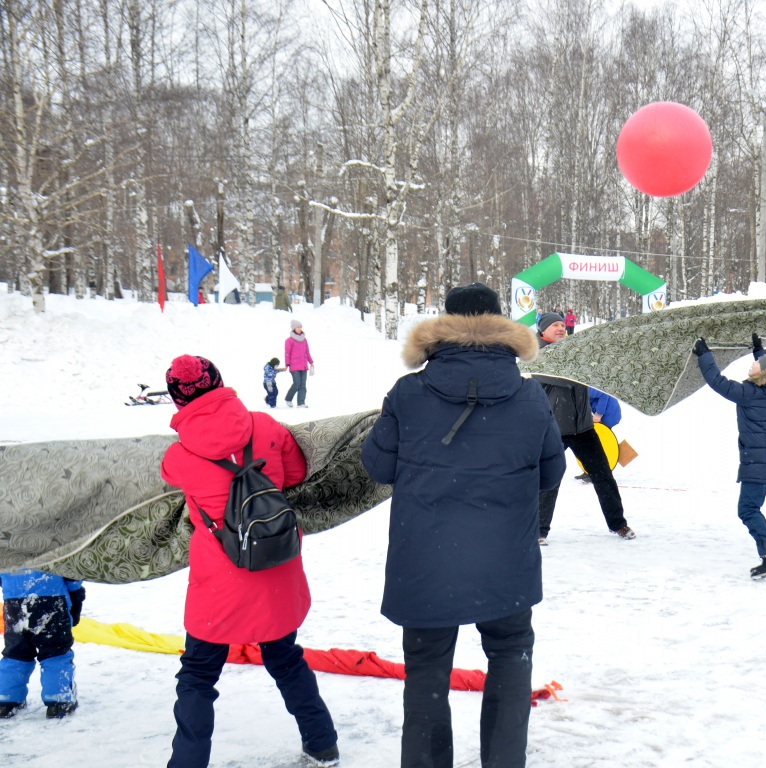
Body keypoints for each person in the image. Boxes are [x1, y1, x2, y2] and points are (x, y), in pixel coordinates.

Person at [360, 282, 565, 768]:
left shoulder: (409, 393)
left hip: (426, 558)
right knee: (511, 656)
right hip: (506, 559)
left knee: (427, 668)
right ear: (501, 326)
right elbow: (552, 473)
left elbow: (378, 466)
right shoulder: (530, 394)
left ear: (444, 325)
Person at [160, 355, 339, 768]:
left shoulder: (180, 455)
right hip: (275, 566)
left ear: (176, 400)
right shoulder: (265, 425)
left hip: (220, 582)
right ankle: (322, 743)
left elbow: (168, 481)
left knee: (198, 677)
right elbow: (294, 474)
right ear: (220, 382)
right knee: (286, 659)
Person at [694, 333, 766, 578]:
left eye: (755, 363)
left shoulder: (751, 394)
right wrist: (759, 350)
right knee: (750, 508)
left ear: (764, 372)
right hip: (765, 459)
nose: (751, 365)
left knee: (748, 509)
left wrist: (705, 355)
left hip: (759, 461)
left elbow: (717, 382)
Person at [534, 312, 636, 542]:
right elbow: (562, 378)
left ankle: (618, 524)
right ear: (543, 330)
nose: (560, 328)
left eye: (562, 324)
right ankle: (539, 530)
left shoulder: (574, 350)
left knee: (603, 476)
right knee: (550, 480)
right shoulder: (536, 353)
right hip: (553, 430)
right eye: (555, 325)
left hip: (583, 429)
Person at [0, 570, 84, 719]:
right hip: (52, 599)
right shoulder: (53, 545)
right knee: (55, 652)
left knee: (15, 653)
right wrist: (76, 597)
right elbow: (71, 569)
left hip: (14, 602)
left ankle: (7, 699)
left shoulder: (6, 546)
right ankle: (59, 701)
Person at [575, 388, 623, 483]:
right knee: (593, 443)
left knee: (599, 445)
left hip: (609, 414)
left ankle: (598, 473)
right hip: (602, 415)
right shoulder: (578, 390)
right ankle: (589, 470)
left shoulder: (586, 388)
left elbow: (604, 394)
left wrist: (598, 414)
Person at [284, 319, 315, 408]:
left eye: (300, 327)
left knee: (303, 384)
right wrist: (287, 364)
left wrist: (311, 362)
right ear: (294, 328)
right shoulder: (289, 341)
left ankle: (301, 402)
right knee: (296, 383)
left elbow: (307, 352)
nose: (299, 329)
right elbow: (287, 353)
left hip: (303, 365)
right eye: (297, 327)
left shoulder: (304, 340)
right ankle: (288, 398)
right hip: (294, 366)